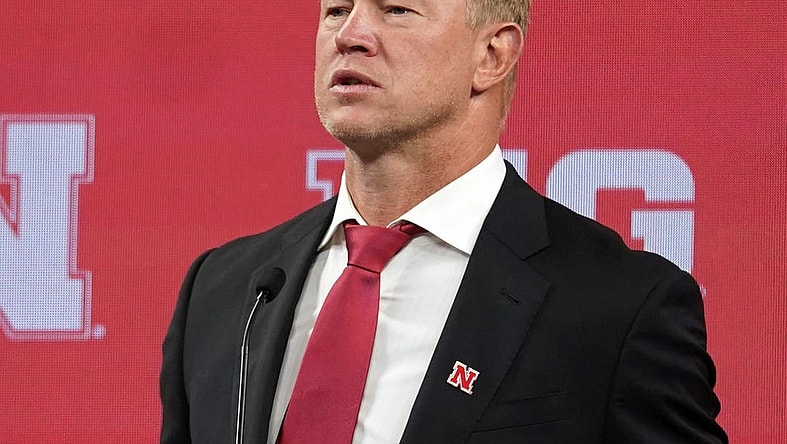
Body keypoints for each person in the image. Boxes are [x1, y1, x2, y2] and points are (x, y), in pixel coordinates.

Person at [160, 0, 728, 442]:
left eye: (397, 10)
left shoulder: (619, 307)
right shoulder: (225, 288)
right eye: (336, 9)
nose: (348, 35)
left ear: (492, 56)